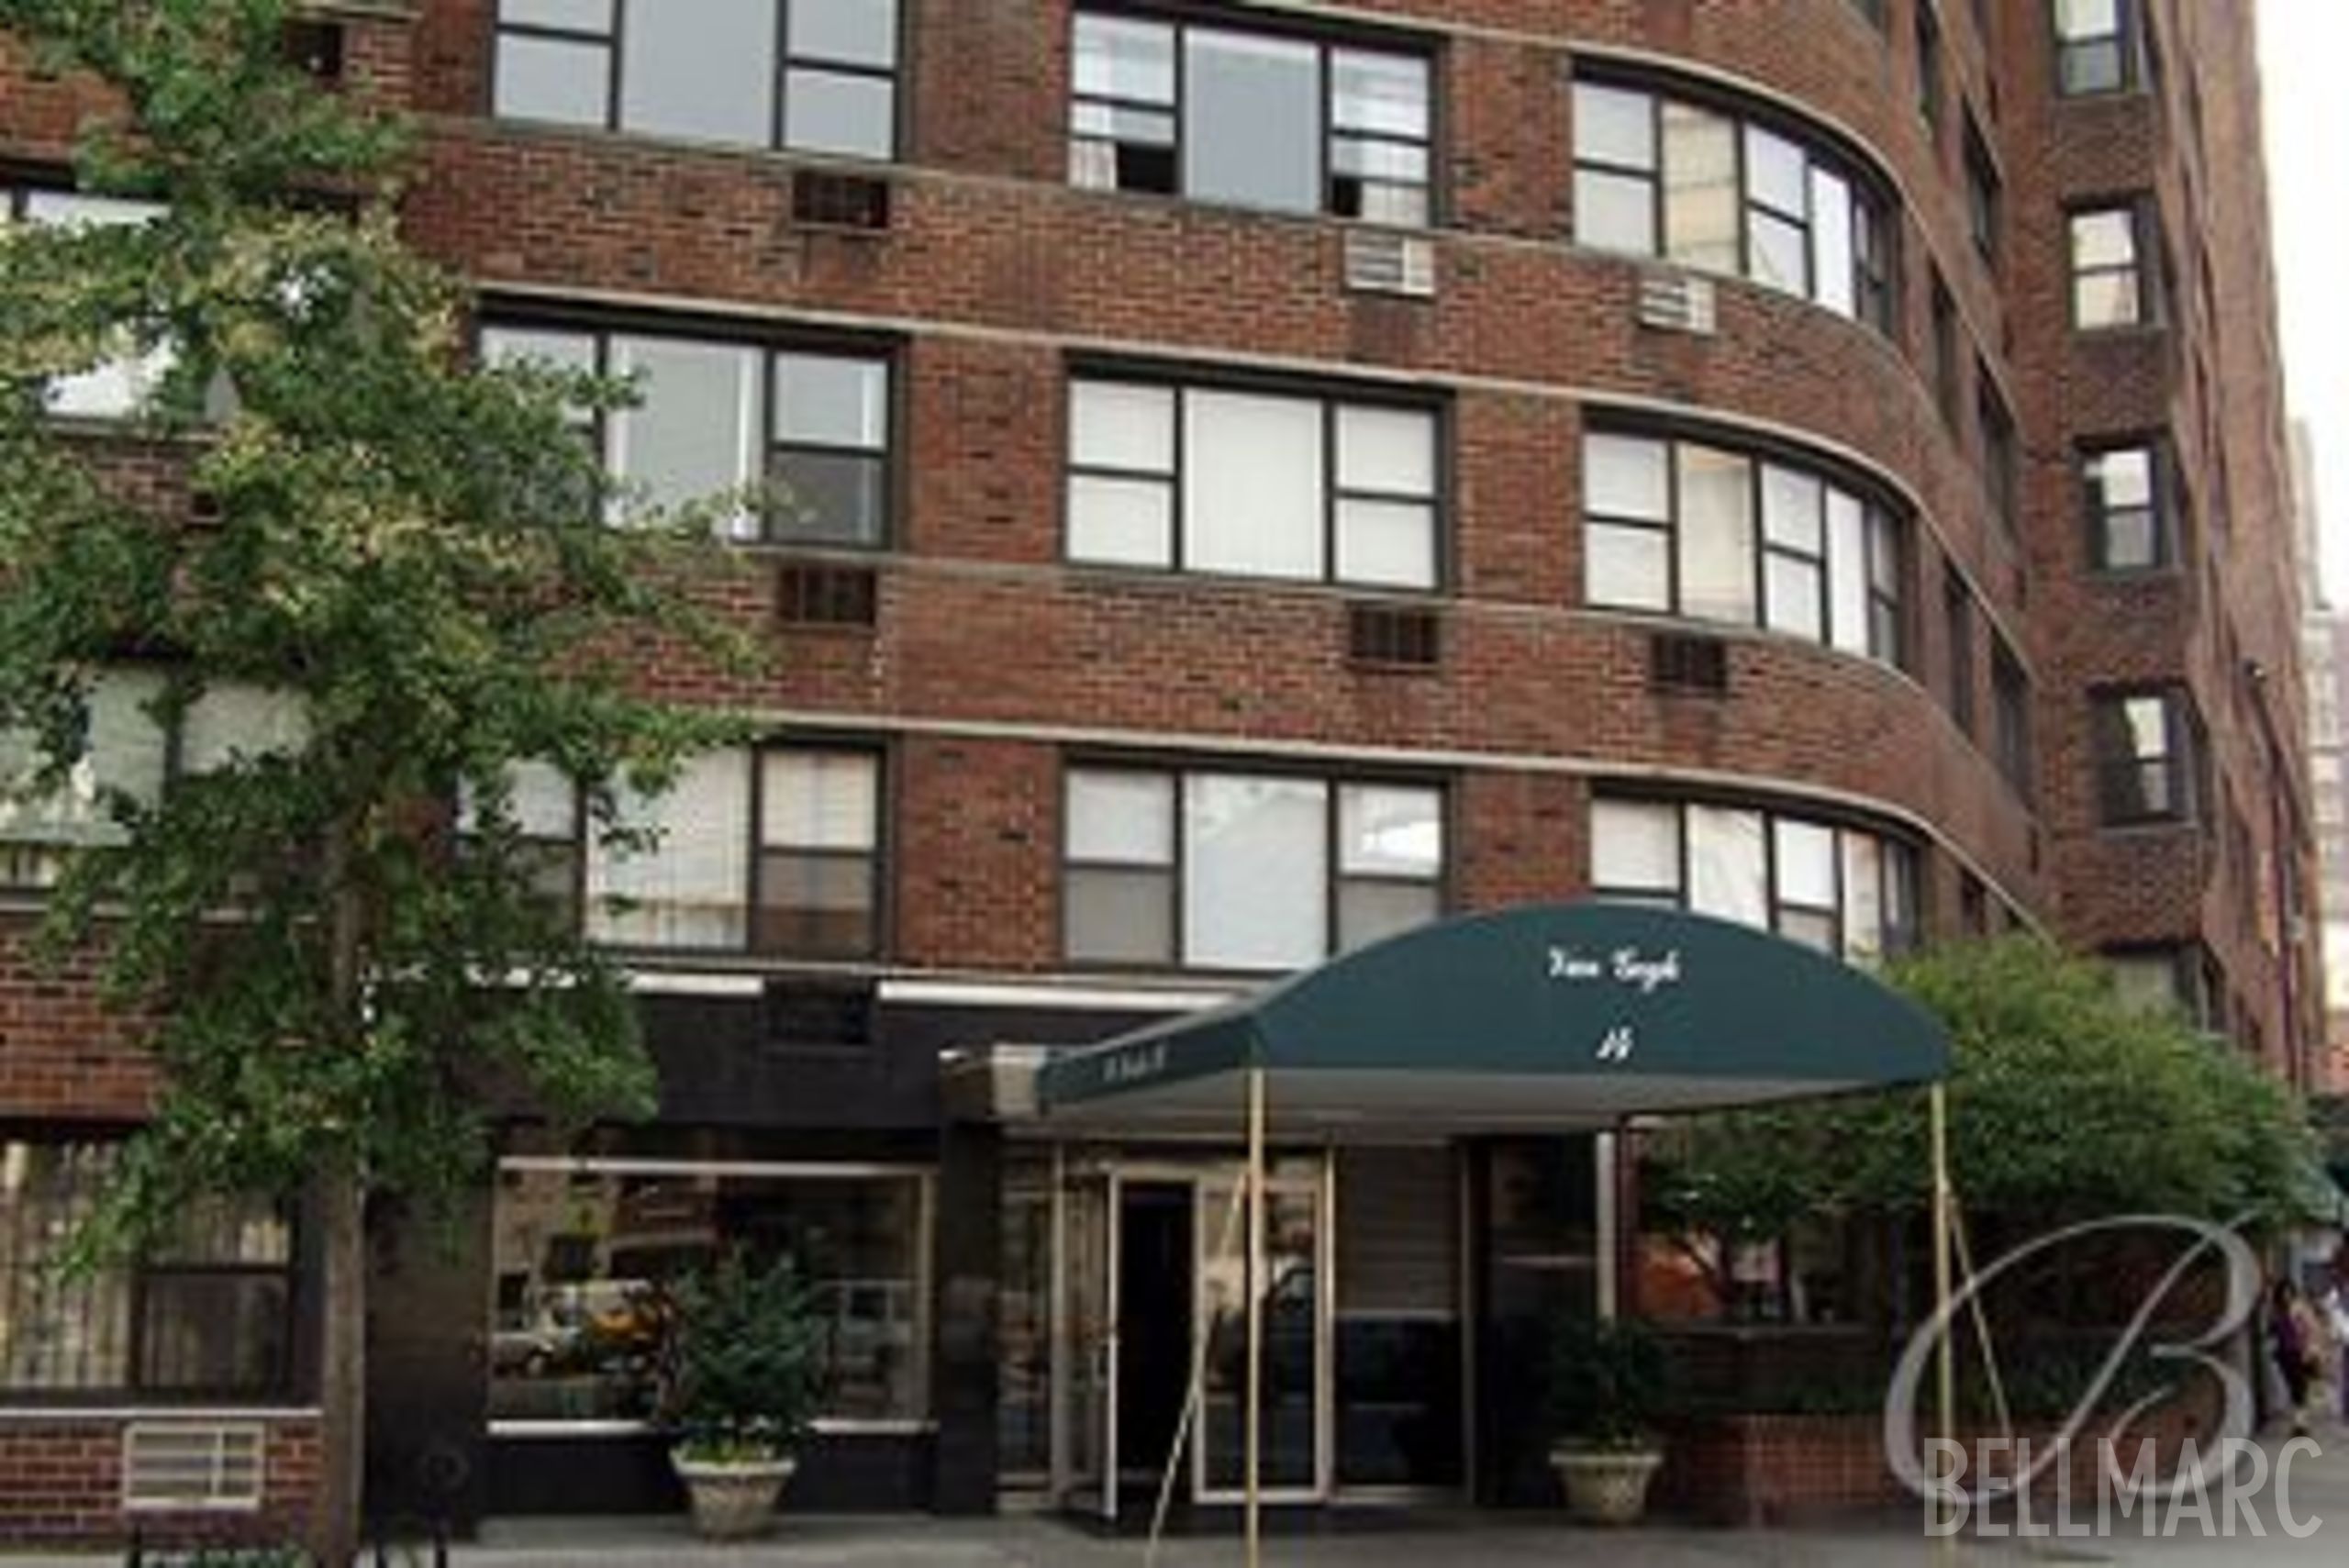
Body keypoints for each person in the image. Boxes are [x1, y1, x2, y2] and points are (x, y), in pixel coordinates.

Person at [2270, 1278, 2326, 1436]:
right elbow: (2272, 1332)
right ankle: (2300, 1422)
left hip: (2299, 1352)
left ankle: (2300, 1424)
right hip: (2283, 1354)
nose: (2286, 1295)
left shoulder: (2300, 1308)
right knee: (2293, 1388)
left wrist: (2310, 1350)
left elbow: (2312, 1329)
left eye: (2289, 1291)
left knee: (2300, 1388)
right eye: (2283, 1292)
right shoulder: (2276, 1310)